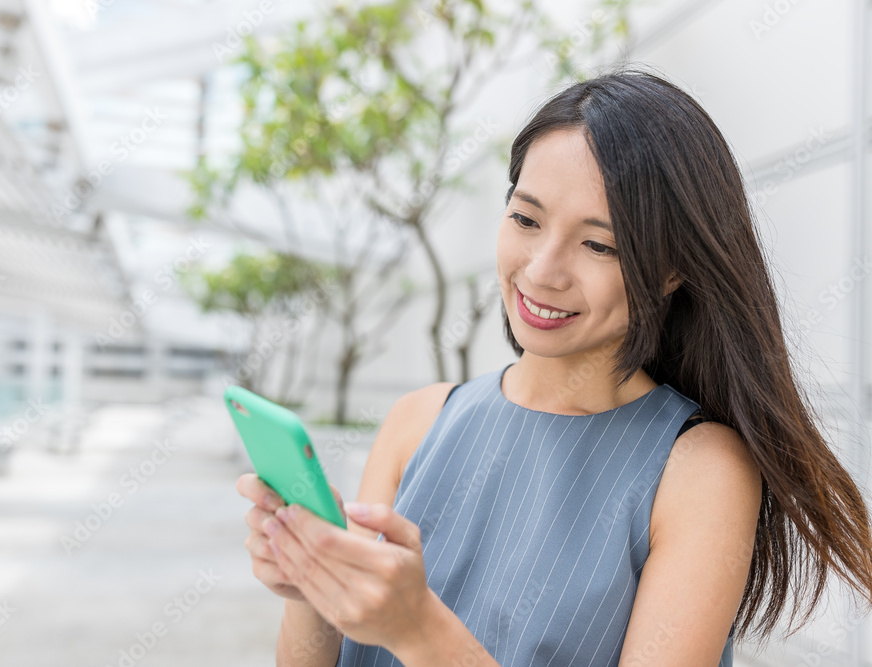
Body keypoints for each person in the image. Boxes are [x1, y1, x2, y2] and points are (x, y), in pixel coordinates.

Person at [235, 67, 872, 666]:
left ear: (674, 268)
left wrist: (419, 630)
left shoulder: (701, 470)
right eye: (525, 218)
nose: (542, 271)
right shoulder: (416, 422)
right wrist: (311, 586)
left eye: (598, 244)